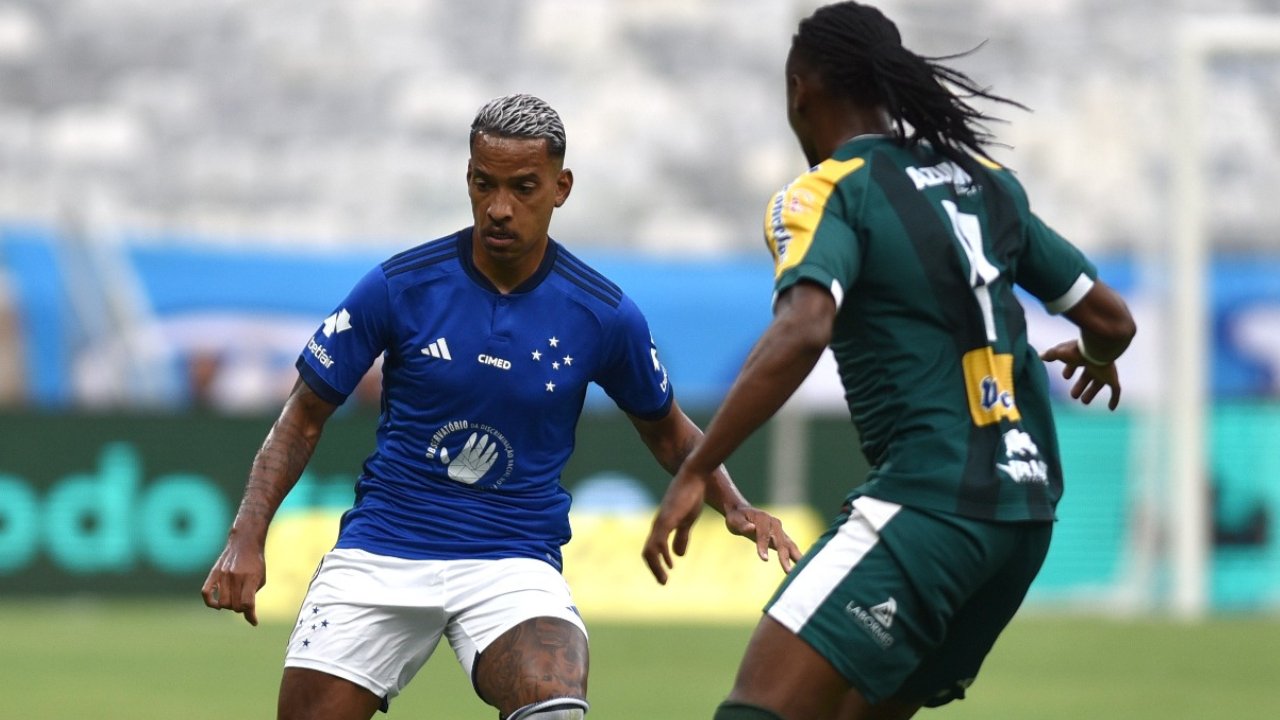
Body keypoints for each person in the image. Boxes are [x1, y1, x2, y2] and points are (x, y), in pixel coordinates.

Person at [202, 93, 800, 720]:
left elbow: (668, 431)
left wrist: (735, 505)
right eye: (484, 184)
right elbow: (302, 416)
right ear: (467, 177)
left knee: (555, 708)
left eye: (523, 187)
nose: (499, 207)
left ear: (561, 188)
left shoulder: (603, 314)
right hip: (384, 549)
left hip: (512, 561)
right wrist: (247, 536)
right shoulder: (400, 285)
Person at [642, 3, 1137, 719]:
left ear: (799, 91)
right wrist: (1094, 354)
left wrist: (697, 467)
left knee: (757, 709)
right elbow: (1112, 322)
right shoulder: (986, 180)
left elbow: (803, 329)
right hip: (1025, 517)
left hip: (928, 504)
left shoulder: (828, 190)